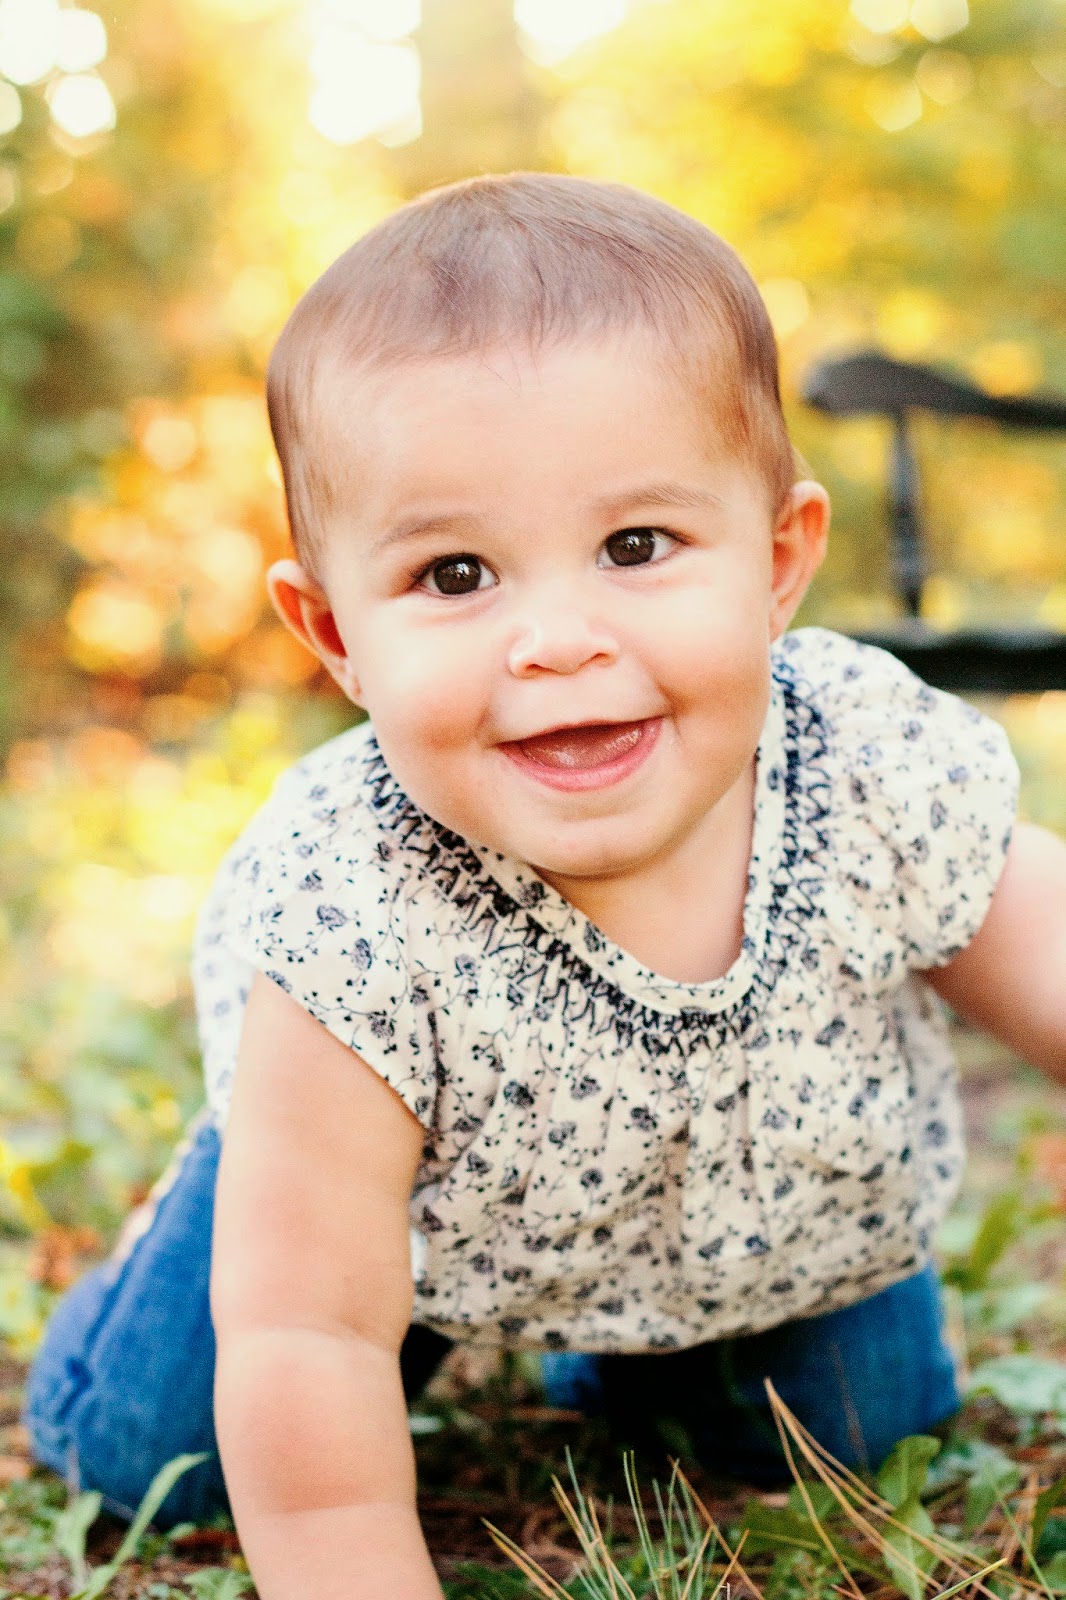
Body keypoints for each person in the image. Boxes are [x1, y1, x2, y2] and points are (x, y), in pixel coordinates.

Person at [24, 173, 1066, 1596]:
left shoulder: (864, 765)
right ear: (335, 634)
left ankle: (624, 1355)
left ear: (778, 564)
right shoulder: (359, 902)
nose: (558, 639)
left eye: (636, 547)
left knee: (860, 1436)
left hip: (771, 1226)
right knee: (170, 1453)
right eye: (455, 574)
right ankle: (176, 1257)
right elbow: (307, 1334)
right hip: (380, 1220)